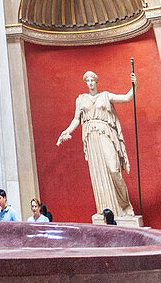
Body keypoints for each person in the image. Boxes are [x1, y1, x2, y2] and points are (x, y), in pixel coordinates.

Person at [56, 70, 135, 218]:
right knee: (98, 174)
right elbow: (76, 119)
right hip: (91, 137)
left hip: (105, 133)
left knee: (114, 169)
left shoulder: (105, 96)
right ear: (86, 83)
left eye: (93, 80)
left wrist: (134, 85)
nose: (91, 83)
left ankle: (125, 206)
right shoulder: (80, 99)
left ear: (96, 82)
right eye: (88, 81)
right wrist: (66, 131)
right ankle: (106, 211)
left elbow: (127, 98)